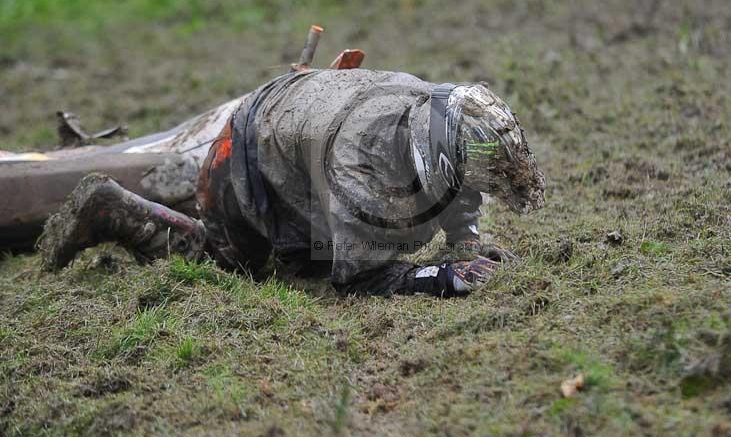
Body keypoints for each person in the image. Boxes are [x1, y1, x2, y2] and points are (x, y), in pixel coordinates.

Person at [39, 68, 545, 297]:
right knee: (232, 266)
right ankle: (114, 209)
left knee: (306, 253)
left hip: (288, 116)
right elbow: (358, 279)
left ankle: (179, 181)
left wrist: (464, 242)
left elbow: (456, 179)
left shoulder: (426, 104)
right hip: (245, 157)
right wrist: (443, 279)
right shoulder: (363, 166)